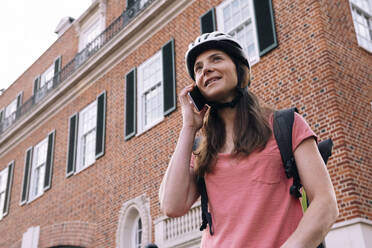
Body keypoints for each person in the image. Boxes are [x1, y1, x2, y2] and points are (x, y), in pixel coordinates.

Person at [159, 31, 338, 248]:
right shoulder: (199, 150)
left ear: (240, 69)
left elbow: (325, 203)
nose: (205, 69)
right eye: (198, 67)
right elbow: (171, 205)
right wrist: (188, 127)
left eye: (216, 58)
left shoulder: (286, 125)